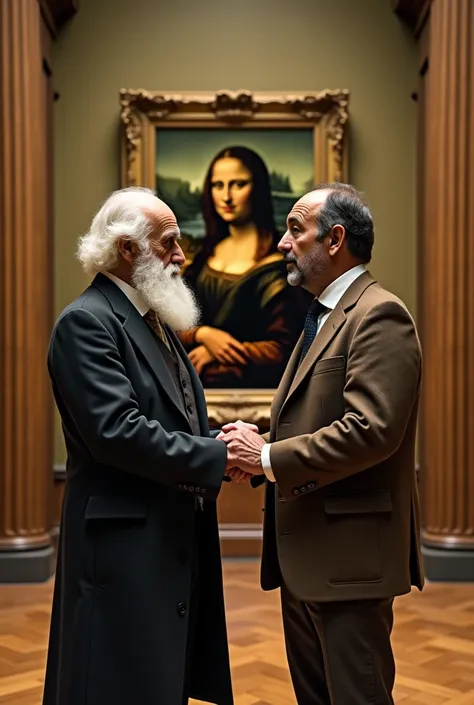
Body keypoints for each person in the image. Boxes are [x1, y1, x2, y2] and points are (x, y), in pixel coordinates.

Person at [221, 183, 424, 705]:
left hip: (348, 565)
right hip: (310, 562)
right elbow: (319, 420)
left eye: (295, 230)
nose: (284, 244)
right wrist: (263, 442)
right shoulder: (324, 315)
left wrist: (265, 459)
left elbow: (371, 430)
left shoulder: (379, 314)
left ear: (334, 239)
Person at [42, 187, 241, 705]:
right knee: (114, 683)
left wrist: (219, 441)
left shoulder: (152, 318)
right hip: (120, 554)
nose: (181, 255)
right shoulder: (87, 322)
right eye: (169, 243)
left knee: (156, 681)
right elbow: (118, 433)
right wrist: (221, 457)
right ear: (127, 248)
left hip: (162, 540)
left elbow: (173, 415)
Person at [178, 145, 307, 388]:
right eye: (218, 186)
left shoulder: (282, 258)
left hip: (257, 388)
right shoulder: (202, 256)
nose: (226, 196)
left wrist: (215, 351)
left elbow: (287, 347)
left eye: (238, 184)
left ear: (257, 188)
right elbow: (169, 325)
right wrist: (202, 335)